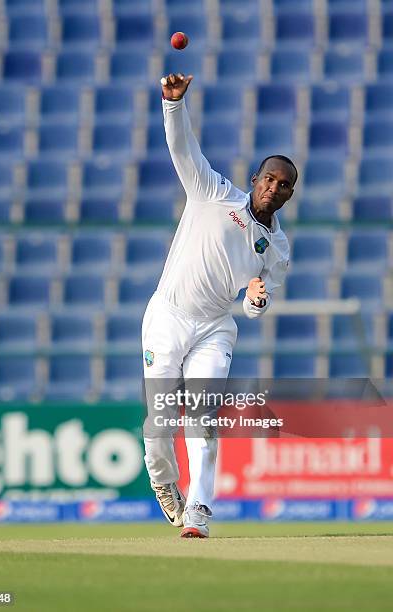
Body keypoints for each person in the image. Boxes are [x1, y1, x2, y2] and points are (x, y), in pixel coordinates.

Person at [142, 73, 297, 538]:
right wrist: (173, 104)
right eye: (268, 178)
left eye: (283, 184)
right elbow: (182, 149)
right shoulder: (213, 192)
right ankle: (165, 483)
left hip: (215, 326)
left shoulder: (279, 247)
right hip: (168, 315)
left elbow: (254, 308)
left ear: (290, 195)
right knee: (161, 420)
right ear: (255, 180)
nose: (273, 187)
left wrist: (255, 300)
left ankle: (200, 511)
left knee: (203, 415)